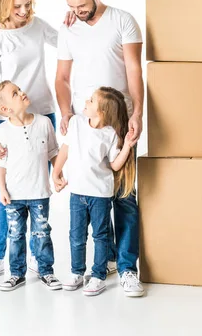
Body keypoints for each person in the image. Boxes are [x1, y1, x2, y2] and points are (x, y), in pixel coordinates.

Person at [0, 0, 70, 283]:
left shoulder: (37, 25)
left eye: (28, 4)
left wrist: (72, 21)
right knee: (7, 191)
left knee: (41, 189)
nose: (25, 11)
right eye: (18, 6)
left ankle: (40, 261)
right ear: (5, 4)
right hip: (9, 121)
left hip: (43, 114)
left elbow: (65, 42)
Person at [55, 0, 144, 297]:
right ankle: (98, 263)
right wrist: (66, 113)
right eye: (71, 6)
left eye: (82, 4)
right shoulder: (68, 28)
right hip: (83, 125)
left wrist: (137, 113)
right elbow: (62, 78)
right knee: (87, 197)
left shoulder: (123, 21)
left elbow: (134, 68)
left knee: (124, 198)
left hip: (118, 123)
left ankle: (126, 268)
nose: (78, 11)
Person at [53, 87, 138, 297]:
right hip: (77, 193)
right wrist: (56, 171)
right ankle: (77, 273)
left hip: (100, 194)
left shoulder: (109, 135)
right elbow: (66, 148)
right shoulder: (76, 123)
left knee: (101, 236)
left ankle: (98, 276)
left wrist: (127, 145)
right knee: (76, 235)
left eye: (91, 101)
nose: (86, 101)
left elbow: (115, 165)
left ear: (102, 112)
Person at [0, 81, 62, 291]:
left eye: (19, 89)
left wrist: (57, 175)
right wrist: (2, 189)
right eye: (15, 93)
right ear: (5, 109)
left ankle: (46, 271)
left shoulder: (44, 123)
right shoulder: (3, 131)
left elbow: (53, 152)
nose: (22, 93)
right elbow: (0, 164)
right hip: (14, 196)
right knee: (16, 235)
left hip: (39, 193)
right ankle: (16, 274)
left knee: (42, 233)